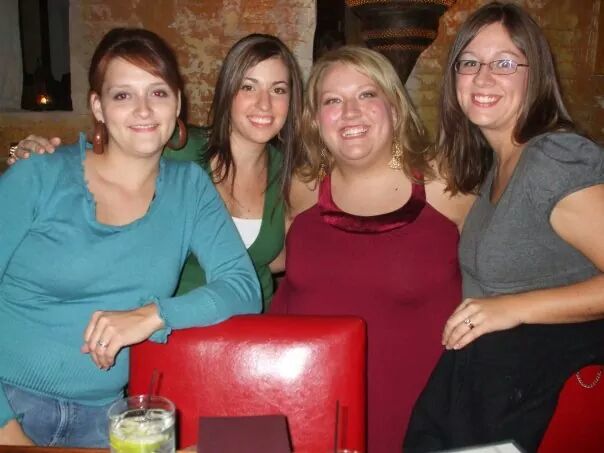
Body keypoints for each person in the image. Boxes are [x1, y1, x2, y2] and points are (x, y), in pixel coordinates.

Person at [0, 28, 260, 447]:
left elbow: (243, 288)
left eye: (158, 93)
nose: (143, 109)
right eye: (123, 95)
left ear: (177, 103)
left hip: (105, 419)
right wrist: (7, 430)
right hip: (10, 403)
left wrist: (152, 315)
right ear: (98, 107)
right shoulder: (39, 175)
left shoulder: (189, 188)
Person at [404, 2, 604, 451]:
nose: (483, 77)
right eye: (470, 63)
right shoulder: (497, 167)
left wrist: (513, 307)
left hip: (540, 404)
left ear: (536, 76)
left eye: (505, 63)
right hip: (487, 395)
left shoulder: (554, 159)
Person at [270, 46, 474, 453]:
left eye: (366, 94)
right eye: (332, 100)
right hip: (309, 403)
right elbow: (270, 262)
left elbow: (503, 270)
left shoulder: (445, 184)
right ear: (314, 119)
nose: (350, 112)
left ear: (395, 108)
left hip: (420, 412)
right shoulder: (302, 186)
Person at [8, 33, 304, 311]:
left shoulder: (291, 173)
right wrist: (40, 156)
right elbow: (116, 149)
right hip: (166, 326)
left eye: (278, 90)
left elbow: (283, 258)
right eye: (248, 87)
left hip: (249, 326)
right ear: (228, 92)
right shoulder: (177, 151)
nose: (264, 103)